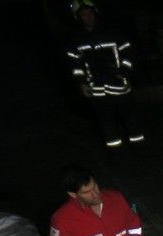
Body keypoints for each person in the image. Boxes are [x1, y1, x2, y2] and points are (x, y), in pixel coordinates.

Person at [66, 0, 143, 148]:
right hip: (96, 89)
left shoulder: (112, 32)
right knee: (107, 123)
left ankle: (140, 149)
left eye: (90, 13)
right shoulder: (75, 39)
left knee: (131, 118)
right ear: (78, 17)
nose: (88, 17)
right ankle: (116, 153)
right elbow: (75, 64)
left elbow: (128, 52)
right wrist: (82, 83)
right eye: (83, 14)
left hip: (119, 85)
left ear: (95, 13)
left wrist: (124, 71)